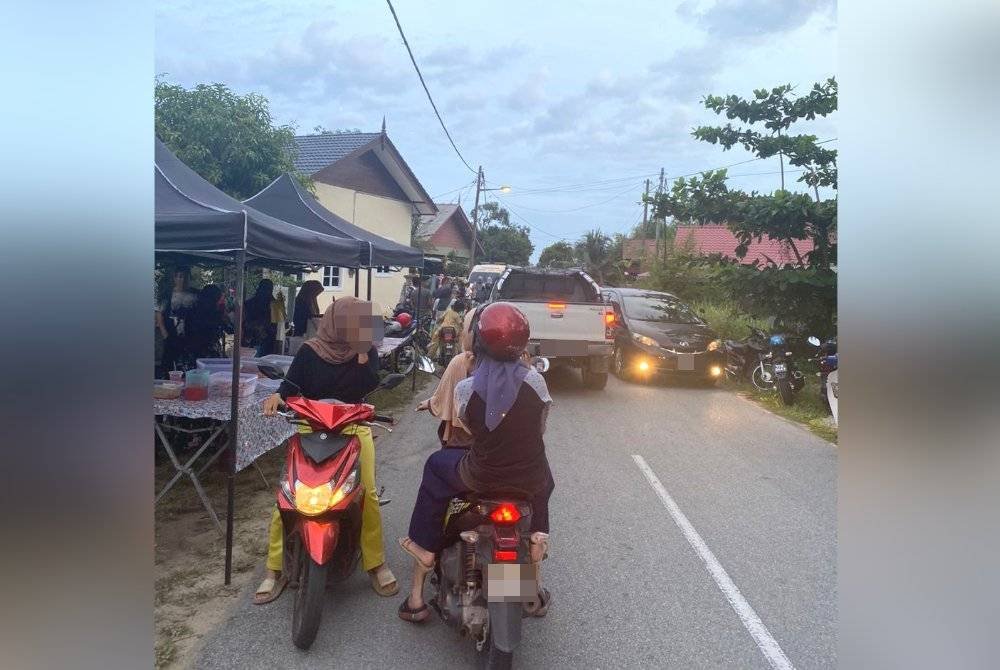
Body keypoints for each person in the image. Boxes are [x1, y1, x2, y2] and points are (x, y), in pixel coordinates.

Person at [397, 302, 555, 622]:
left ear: (478, 341)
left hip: (481, 476)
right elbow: (540, 427)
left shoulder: (466, 388)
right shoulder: (536, 382)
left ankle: (425, 549)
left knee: (435, 466)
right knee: (543, 476)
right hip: (528, 477)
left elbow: (471, 431)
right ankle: (538, 537)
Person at [255, 297, 398, 604]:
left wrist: (362, 353)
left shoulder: (366, 350)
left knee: (368, 494)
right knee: (288, 496)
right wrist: (277, 397)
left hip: (353, 428)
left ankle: (375, 564)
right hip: (312, 428)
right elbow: (290, 385)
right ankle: (274, 569)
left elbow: (368, 385)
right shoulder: (310, 350)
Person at [416, 309, 476, 448]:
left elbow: (446, 392)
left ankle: (430, 355)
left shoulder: (460, 361)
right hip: (496, 442)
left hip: (462, 436)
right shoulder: (515, 368)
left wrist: (431, 403)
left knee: (435, 340)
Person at [157, 267, 198, 375]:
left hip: (189, 336)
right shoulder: (167, 295)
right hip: (171, 335)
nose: (179, 279)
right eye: (177, 276)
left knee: (187, 365)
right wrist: (165, 334)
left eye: (182, 276)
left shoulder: (194, 295)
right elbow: (159, 314)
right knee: (169, 365)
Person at [185, 284, 228, 359]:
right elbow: (228, 329)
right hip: (207, 354)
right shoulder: (214, 315)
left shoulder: (192, 311)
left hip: (192, 352)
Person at [244, 279, 278, 357]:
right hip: (265, 339)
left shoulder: (249, 303)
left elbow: (244, 322)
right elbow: (280, 325)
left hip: (254, 338)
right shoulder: (275, 305)